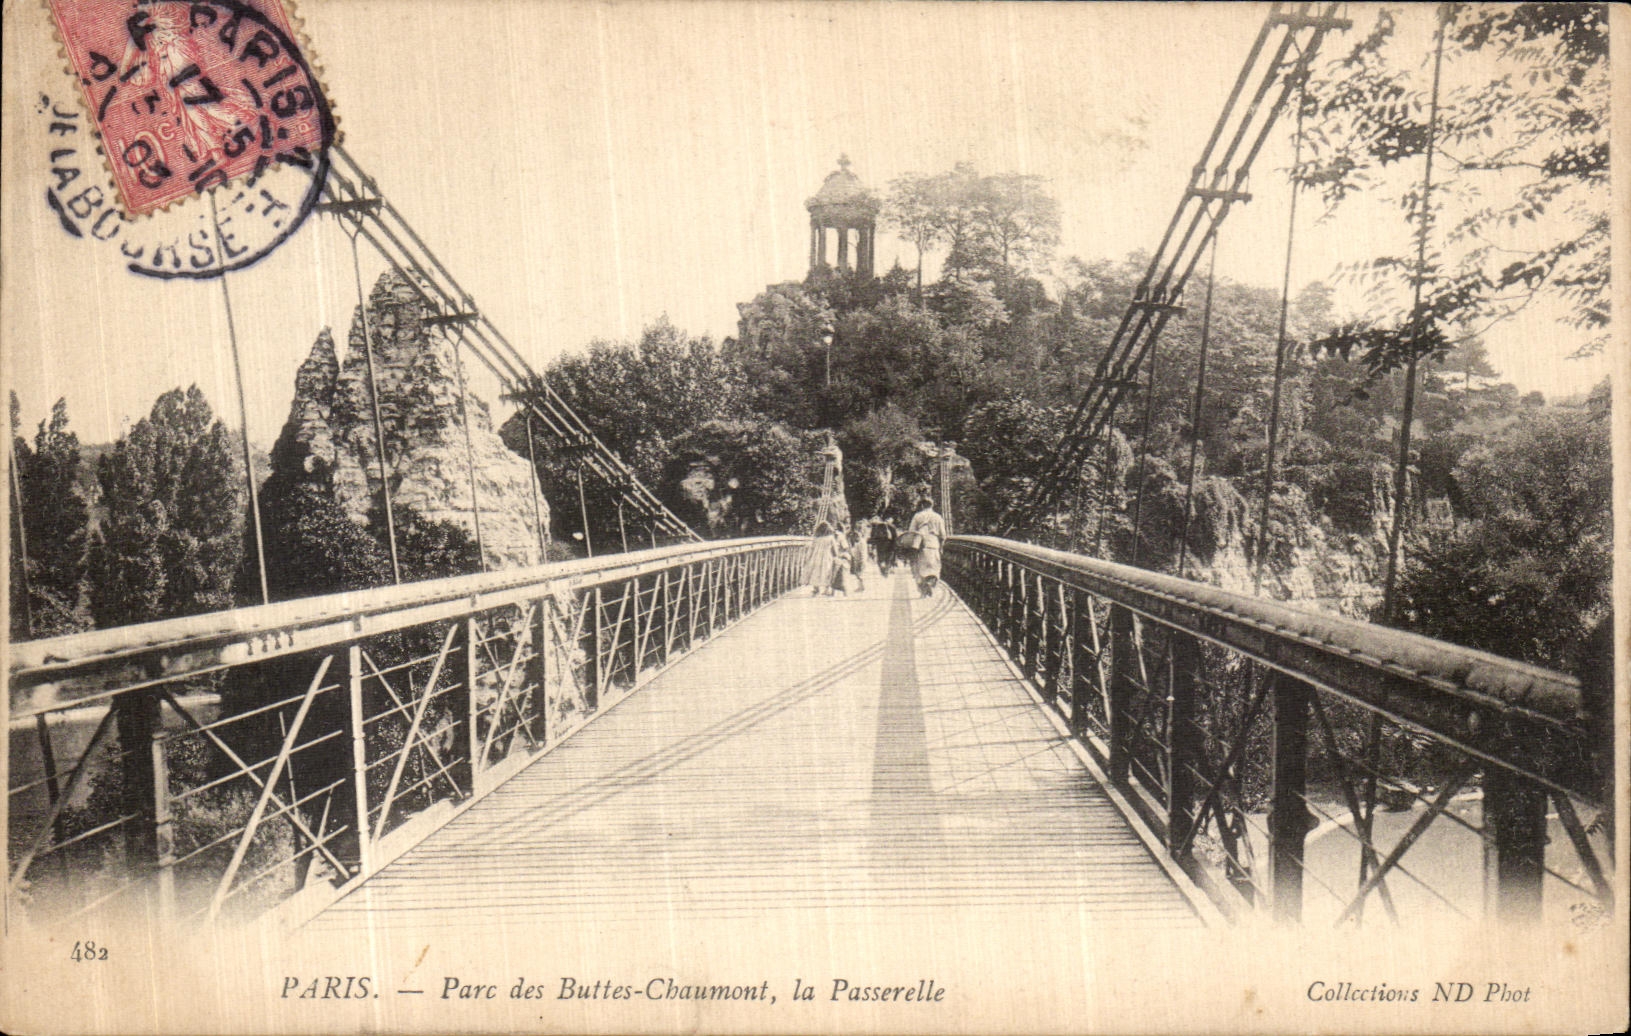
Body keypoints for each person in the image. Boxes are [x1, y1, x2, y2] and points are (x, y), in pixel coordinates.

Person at [908, 496, 946, 598]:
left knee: (919, 568)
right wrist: (941, 546)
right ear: (932, 505)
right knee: (935, 568)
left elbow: (911, 532)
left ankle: (923, 591)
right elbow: (943, 535)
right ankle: (930, 584)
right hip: (934, 545)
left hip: (920, 545)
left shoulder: (917, 516)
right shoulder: (938, 517)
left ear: (922, 505)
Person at [802, 522, 840, 596]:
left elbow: (811, 549)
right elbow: (835, 549)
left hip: (816, 557)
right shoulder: (831, 538)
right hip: (827, 556)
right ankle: (826, 589)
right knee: (827, 572)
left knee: (816, 572)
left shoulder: (816, 539)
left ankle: (816, 589)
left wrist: (808, 558)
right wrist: (836, 555)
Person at [847, 526, 867, 592]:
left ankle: (861, 587)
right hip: (858, 560)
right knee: (858, 574)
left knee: (859, 574)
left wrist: (861, 561)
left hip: (860, 560)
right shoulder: (860, 542)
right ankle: (861, 586)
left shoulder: (860, 543)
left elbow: (862, 553)